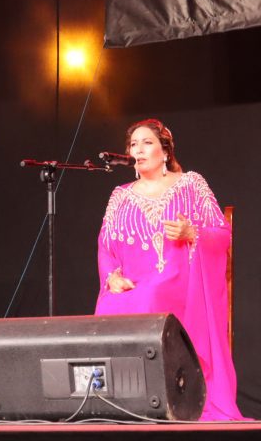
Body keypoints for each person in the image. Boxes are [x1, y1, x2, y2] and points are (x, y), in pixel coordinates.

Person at [95, 119, 243, 421]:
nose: (138, 149)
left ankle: (169, 399)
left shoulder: (190, 183)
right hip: (134, 283)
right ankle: (125, 403)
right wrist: (112, 276)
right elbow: (105, 246)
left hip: (180, 280)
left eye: (147, 142)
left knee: (151, 298)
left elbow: (221, 234)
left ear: (165, 151)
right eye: (133, 144)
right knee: (110, 302)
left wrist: (192, 233)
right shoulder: (120, 195)